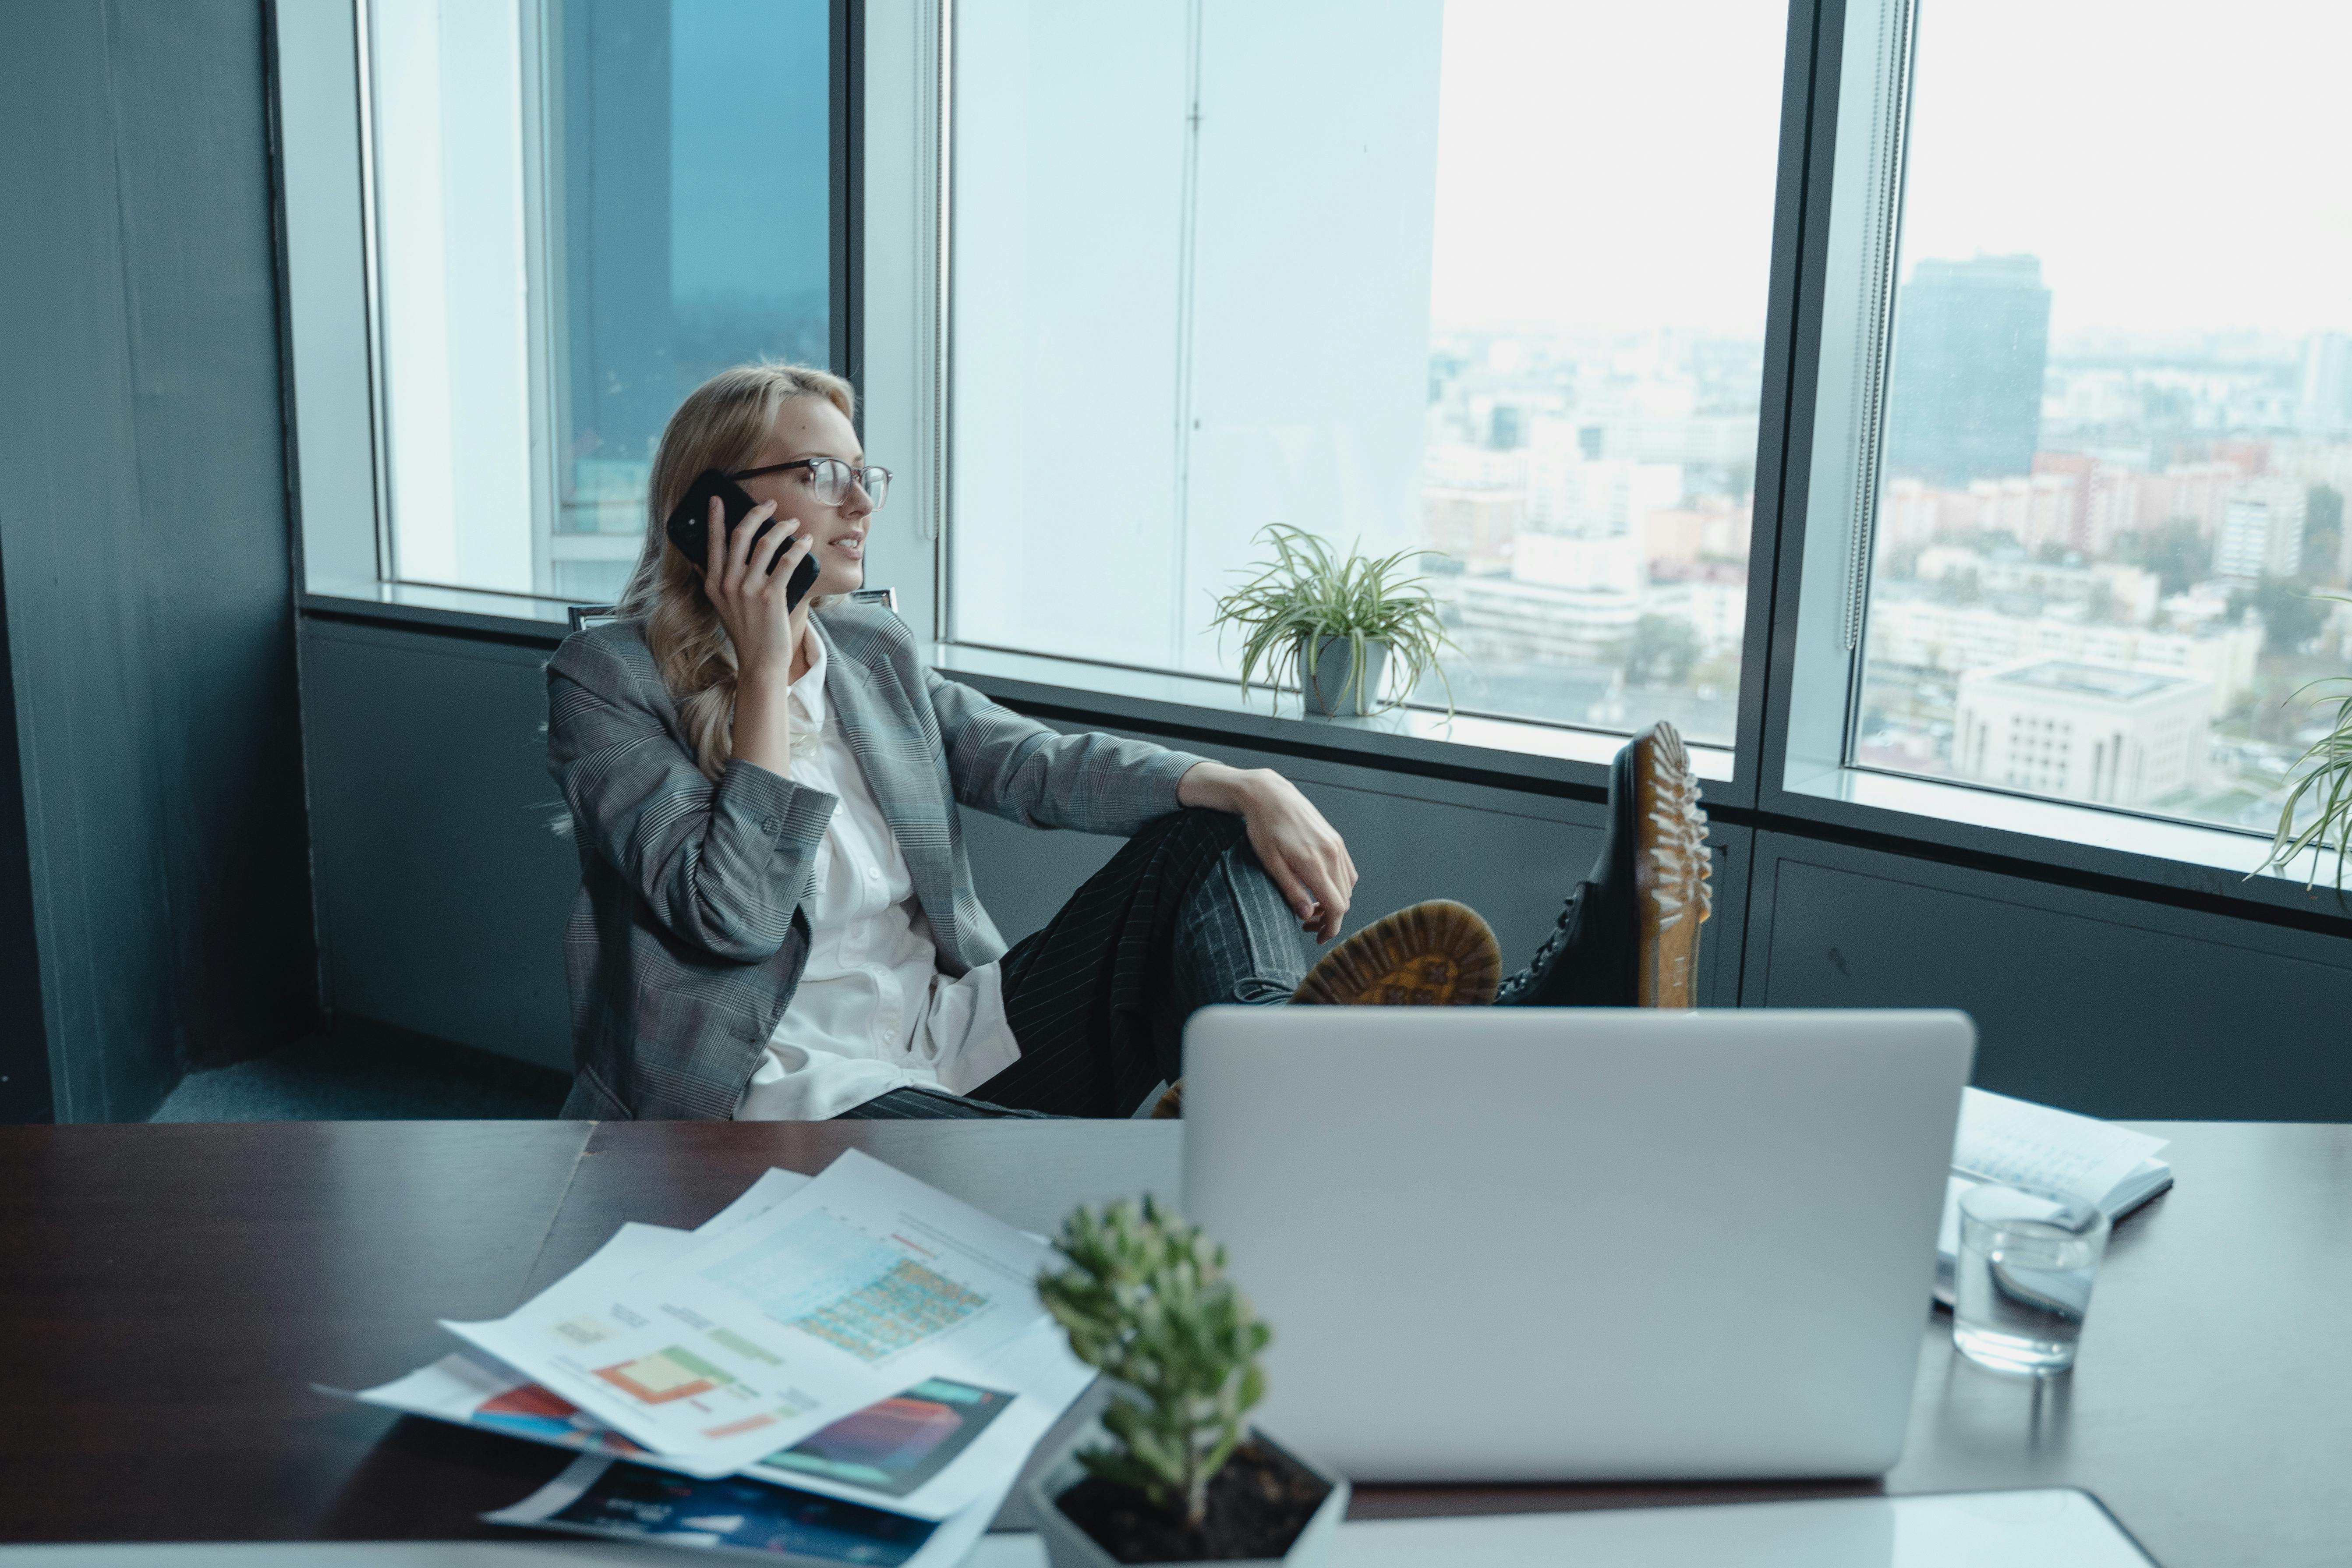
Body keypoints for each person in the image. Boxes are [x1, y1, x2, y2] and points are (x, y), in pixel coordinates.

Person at [545, 364, 1502, 1123]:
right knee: (1056, 1181)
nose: (861, 503)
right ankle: (1247, 1134)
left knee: (1208, 832)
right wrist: (761, 673)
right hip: (783, 1089)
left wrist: (1245, 782)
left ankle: (1271, 1075)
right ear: (713, 509)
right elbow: (738, 918)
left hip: (945, 1033)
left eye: (863, 474)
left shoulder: (870, 648)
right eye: (820, 474)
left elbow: (1034, 762)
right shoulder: (608, 682)